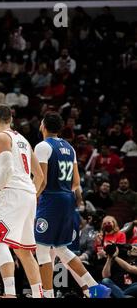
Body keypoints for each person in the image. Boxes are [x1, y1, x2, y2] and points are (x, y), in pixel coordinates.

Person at [33, 112, 111, 298]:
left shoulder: (42, 146)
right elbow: (76, 182)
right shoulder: (69, 147)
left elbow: (41, 180)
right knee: (61, 249)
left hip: (51, 200)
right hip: (67, 198)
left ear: (43, 125)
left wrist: (31, 198)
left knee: (42, 249)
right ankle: (94, 286)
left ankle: (48, 295)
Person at [0, 105, 44, 298]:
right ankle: (39, 294)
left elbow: (7, 172)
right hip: (29, 194)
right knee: (23, 251)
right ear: (11, 119)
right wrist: (30, 195)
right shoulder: (23, 140)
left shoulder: (1, 137)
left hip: (13, 193)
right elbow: (39, 176)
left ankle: (9, 293)